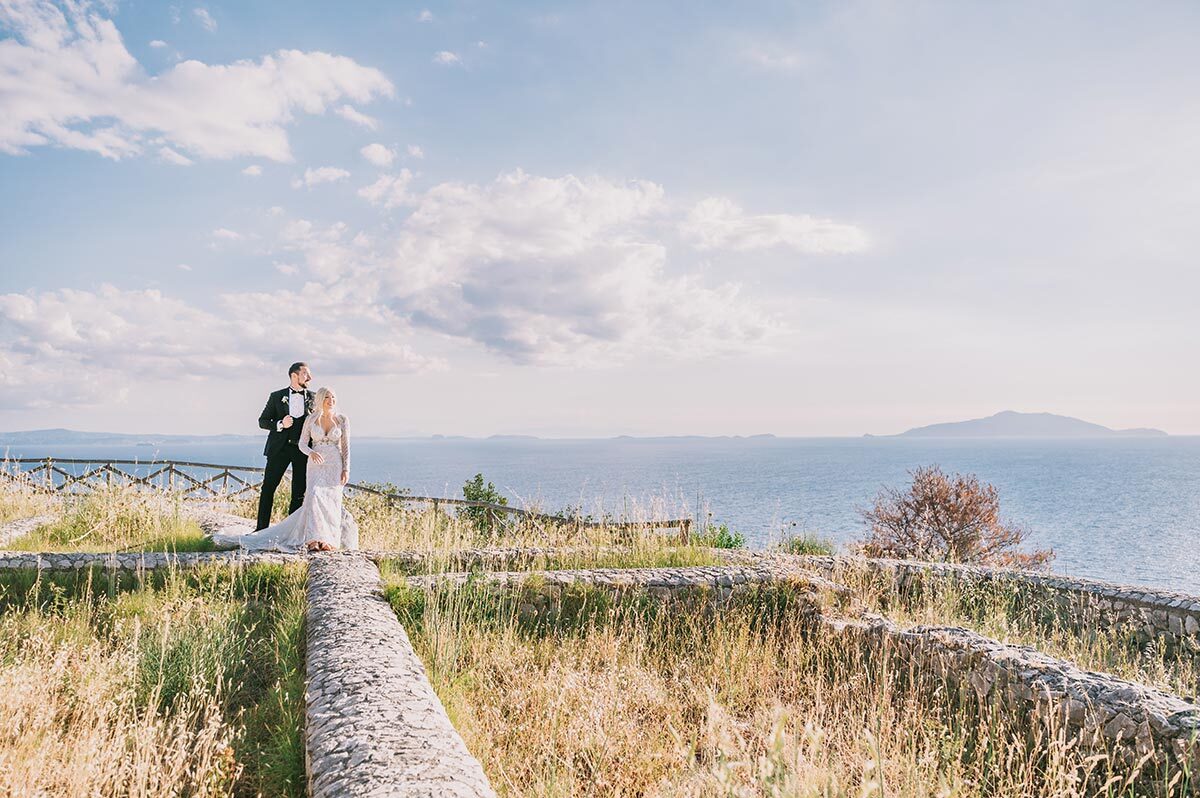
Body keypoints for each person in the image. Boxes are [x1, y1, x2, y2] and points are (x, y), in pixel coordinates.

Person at [225, 386, 359, 552]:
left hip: (334, 463)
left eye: (333, 398)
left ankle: (328, 540)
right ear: (320, 400)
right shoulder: (311, 419)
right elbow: (302, 444)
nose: (331, 401)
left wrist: (346, 469)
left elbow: (346, 447)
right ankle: (312, 539)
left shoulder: (342, 420)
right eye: (327, 398)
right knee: (314, 496)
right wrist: (311, 453)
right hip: (315, 463)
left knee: (332, 501)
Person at [256, 362, 313, 531]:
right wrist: (280, 424)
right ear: (294, 375)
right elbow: (263, 421)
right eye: (305, 374)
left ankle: (290, 531)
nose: (309, 377)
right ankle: (261, 529)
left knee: (298, 493)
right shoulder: (276, 396)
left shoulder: (314, 397)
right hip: (279, 450)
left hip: (302, 451)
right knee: (268, 488)